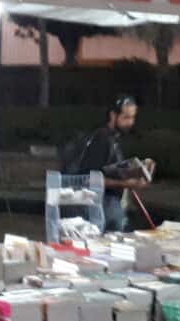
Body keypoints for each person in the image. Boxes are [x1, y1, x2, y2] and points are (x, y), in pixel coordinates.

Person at [63, 96, 155, 232]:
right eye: (126, 117)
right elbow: (90, 178)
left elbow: (111, 169)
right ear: (113, 115)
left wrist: (140, 170)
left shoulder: (114, 138)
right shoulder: (102, 139)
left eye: (132, 117)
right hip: (99, 207)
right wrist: (127, 184)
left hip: (109, 206)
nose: (130, 122)